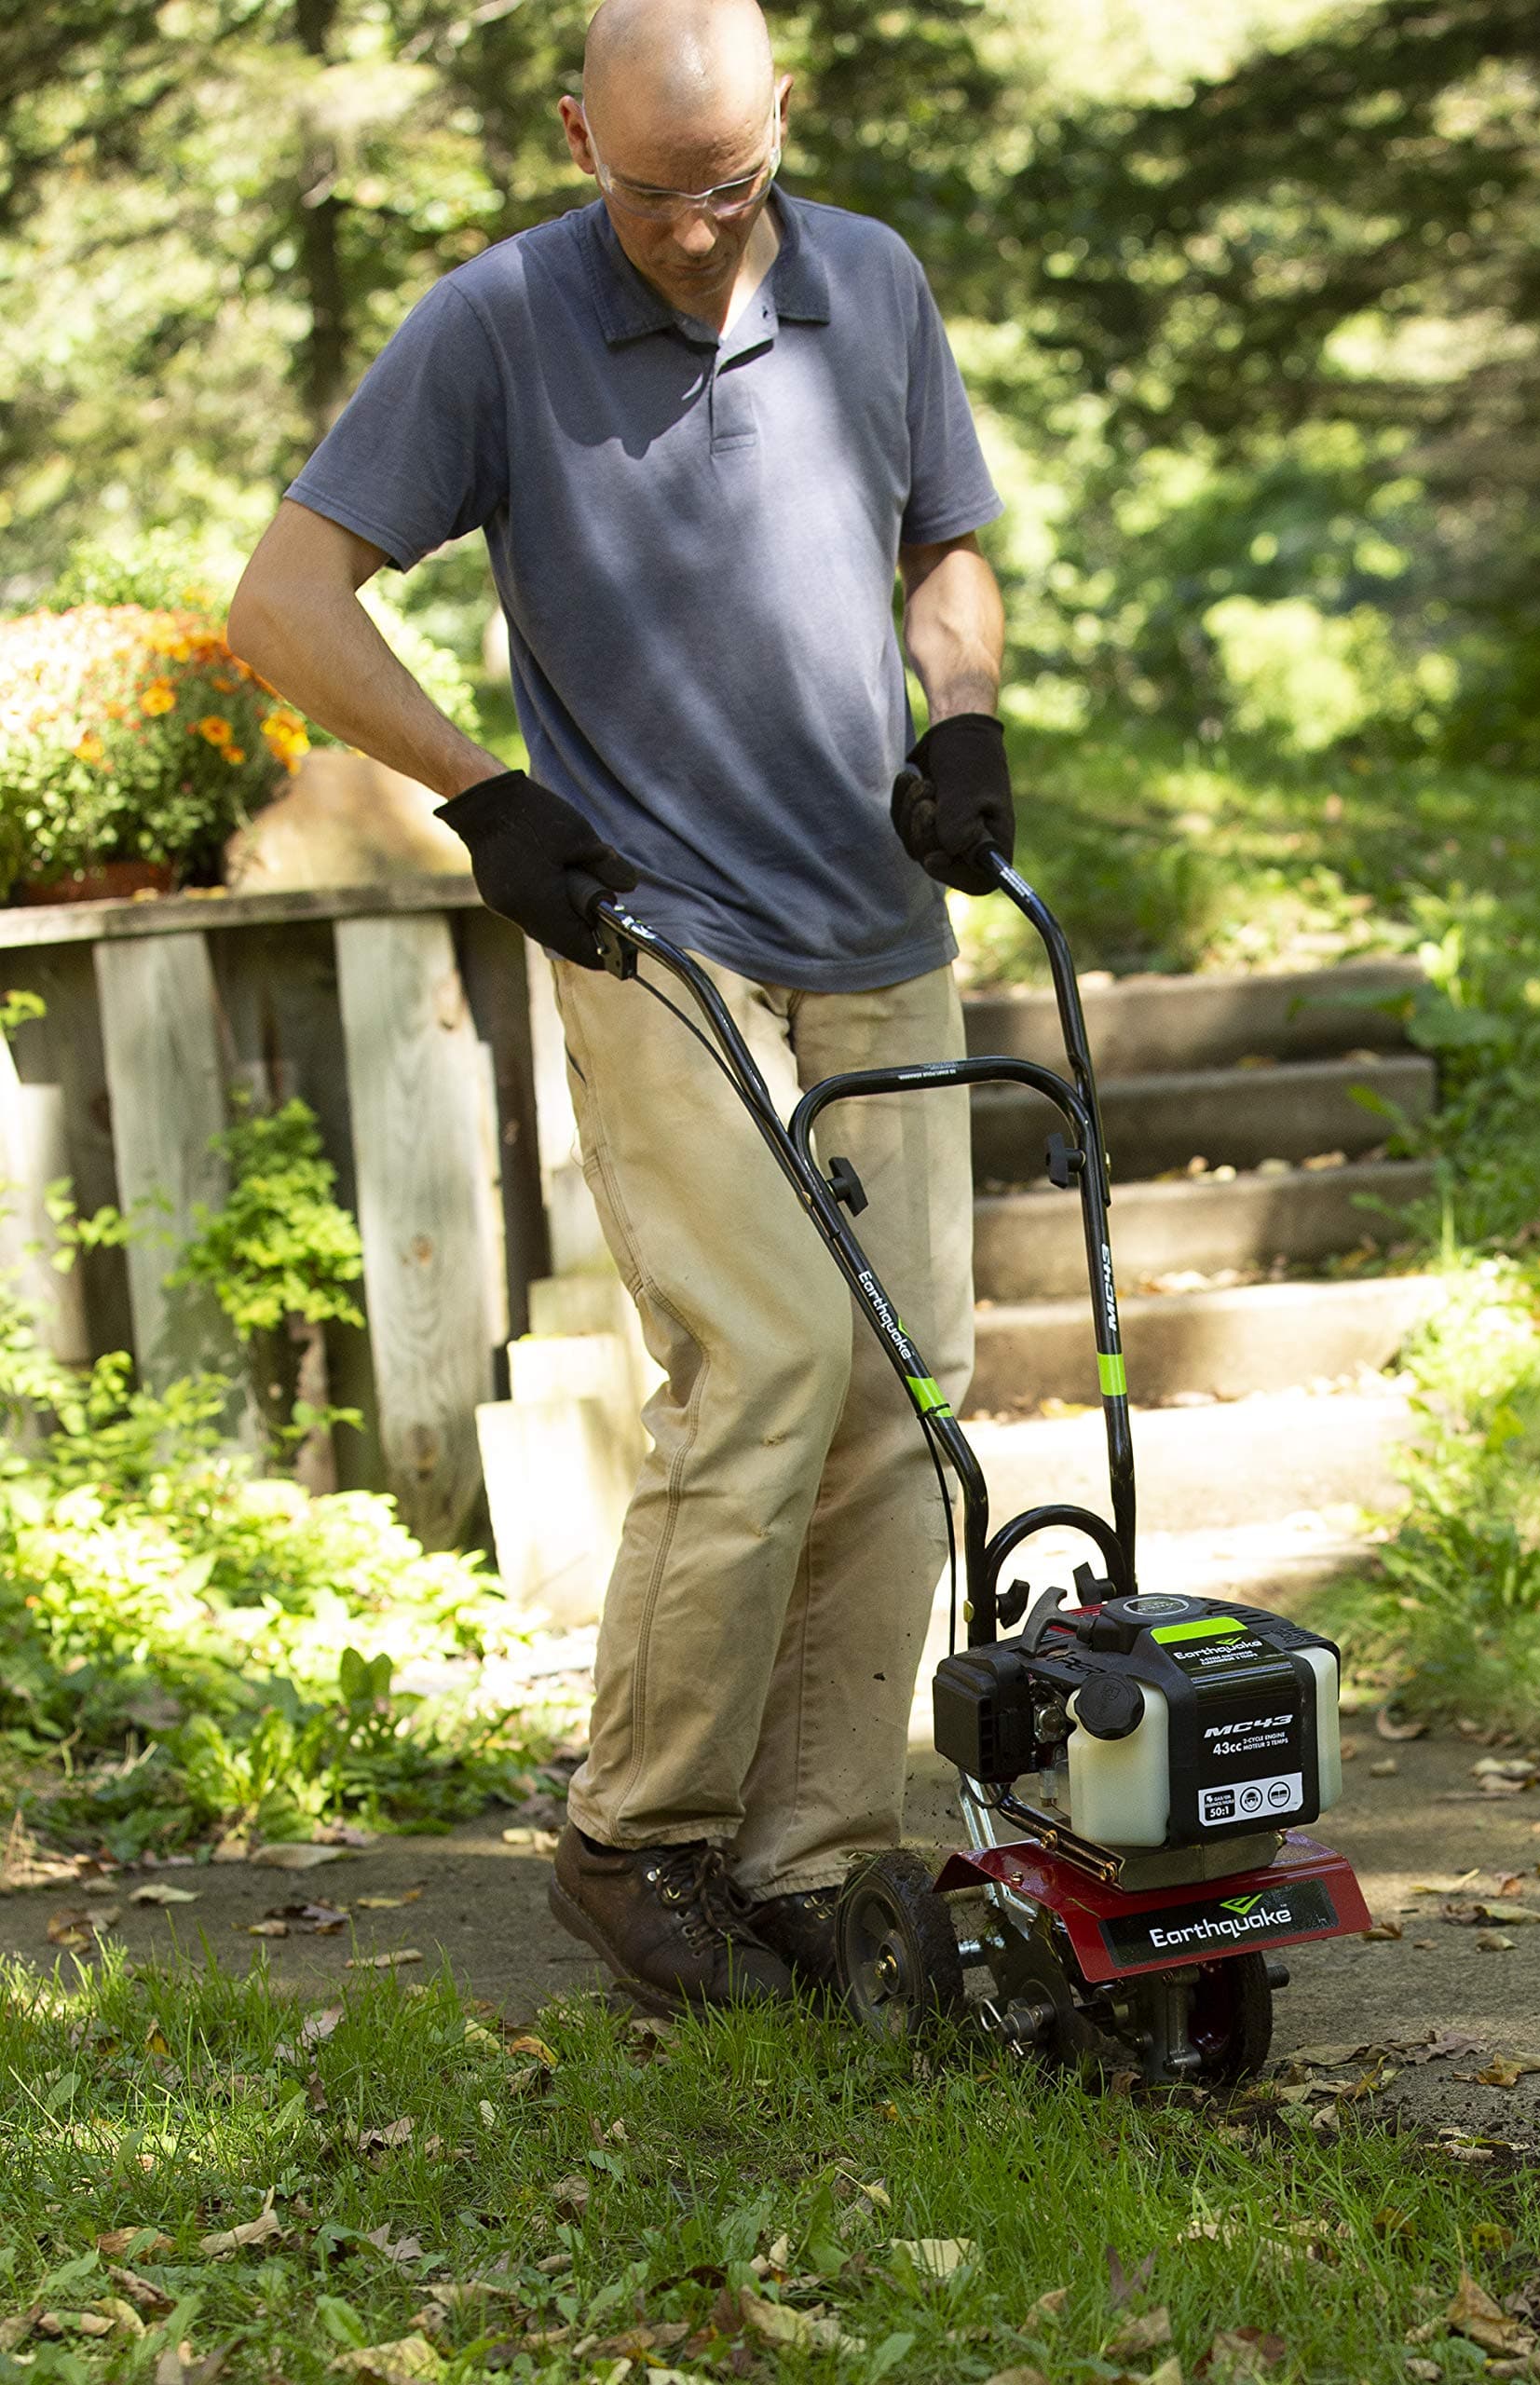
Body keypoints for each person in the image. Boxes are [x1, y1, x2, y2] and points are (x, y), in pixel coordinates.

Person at [228, 0, 1011, 2015]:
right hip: (656, 935)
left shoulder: (875, 284)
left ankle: (812, 1853)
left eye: (729, 183)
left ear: (783, 125)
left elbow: (946, 545)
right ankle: (633, 1832)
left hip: (877, 927)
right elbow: (285, 602)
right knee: (761, 1354)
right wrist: (481, 791)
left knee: (905, 1388)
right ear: (579, 136)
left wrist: (965, 720)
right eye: (651, 190)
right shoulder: (491, 325)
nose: (693, 228)